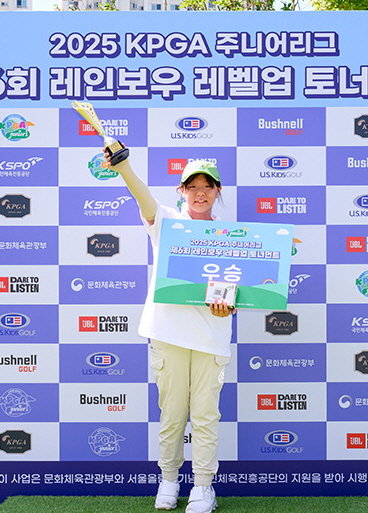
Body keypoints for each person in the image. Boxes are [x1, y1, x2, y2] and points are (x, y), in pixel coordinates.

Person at [104, 149, 235, 513]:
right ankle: (169, 481)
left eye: (207, 186)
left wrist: (229, 305)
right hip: (167, 335)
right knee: (172, 415)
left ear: (218, 191)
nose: (199, 193)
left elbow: (236, 292)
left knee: (206, 416)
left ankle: (203, 487)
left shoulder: (231, 237)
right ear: (181, 191)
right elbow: (142, 196)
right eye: (192, 186)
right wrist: (123, 167)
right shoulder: (167, 222)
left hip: (211, 338)